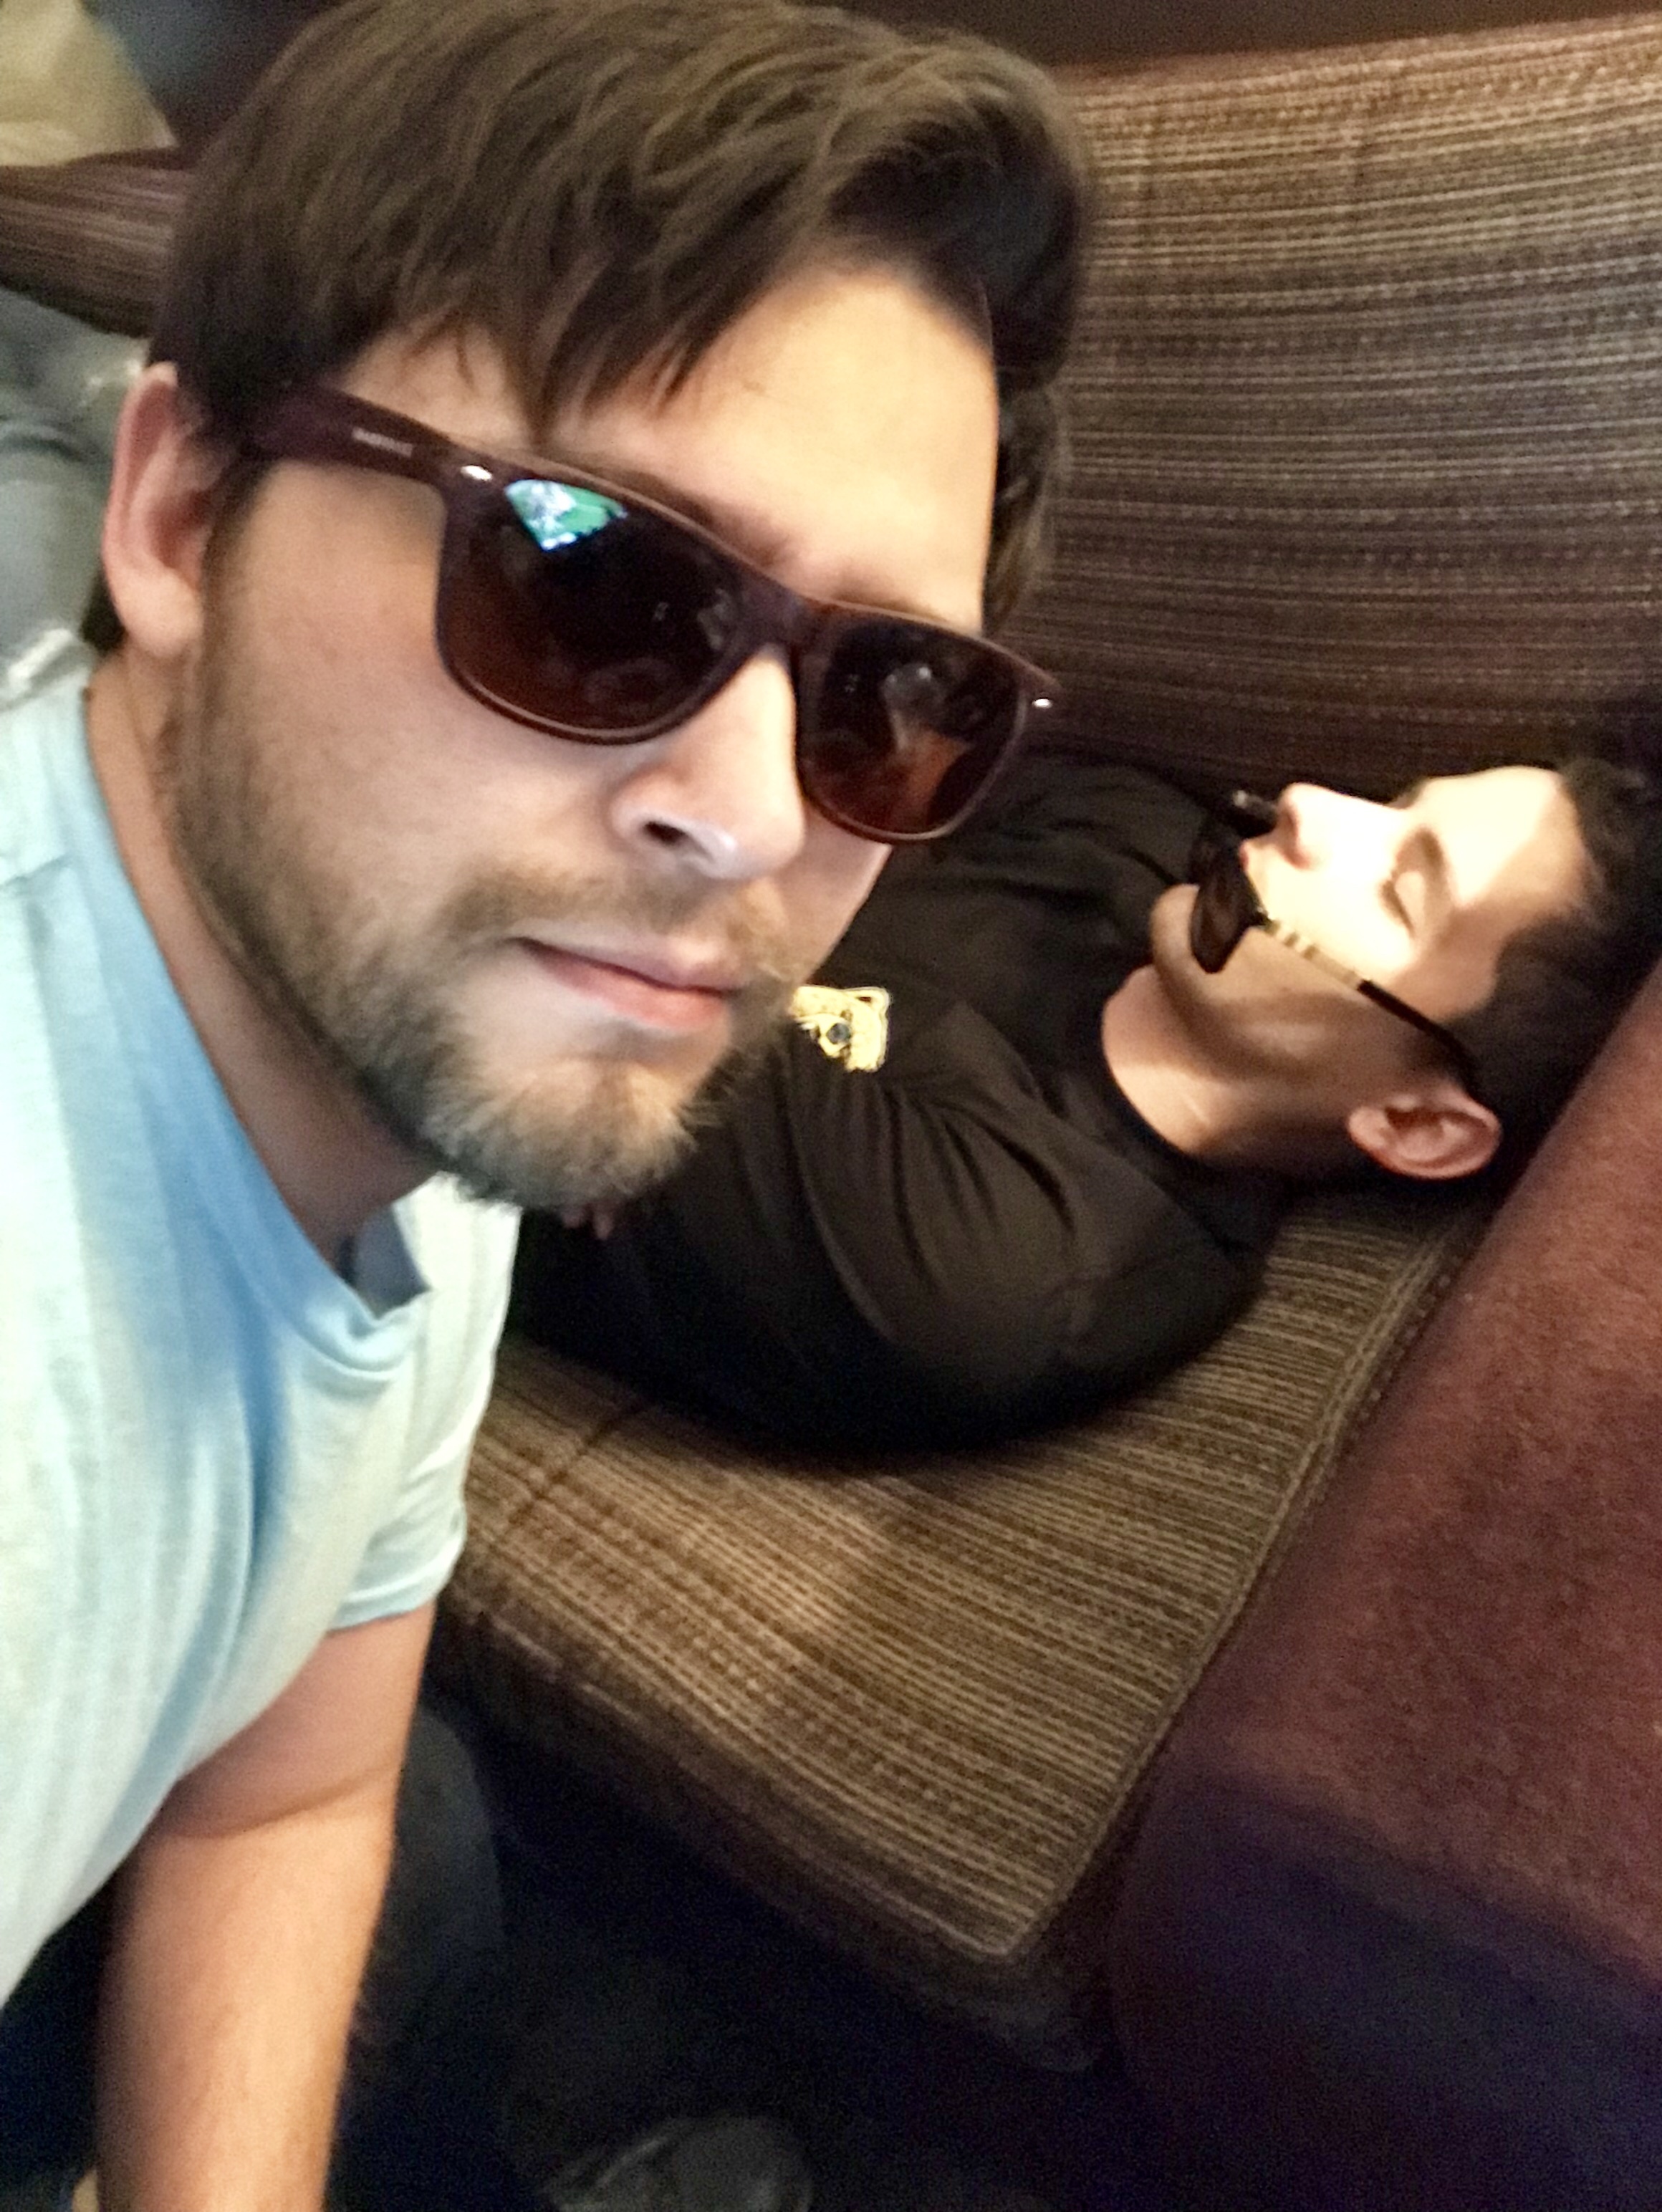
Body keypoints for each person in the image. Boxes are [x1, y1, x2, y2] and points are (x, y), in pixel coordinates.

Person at [0, 1, 1086, 2206]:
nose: (751, 816)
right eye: (594, 578)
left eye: (892, 693)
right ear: (185, 514)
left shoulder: (423, 1059)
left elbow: (288, 1785)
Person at [512, 746, 1662, 1451]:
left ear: (1418, 1124)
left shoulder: (1002, 1272)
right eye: (1397, 803)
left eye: (1402, 892)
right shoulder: (1137, 829)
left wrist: (620, 1012)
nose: (1310, 805)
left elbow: (535, 1015)